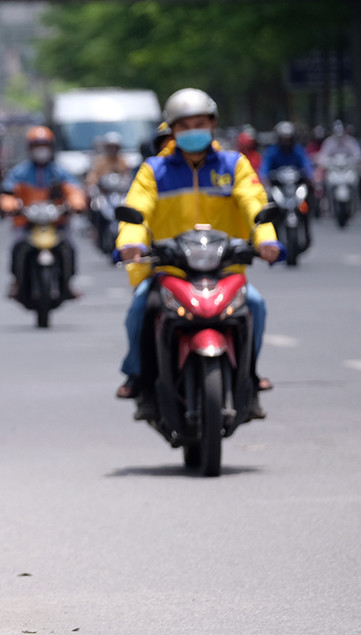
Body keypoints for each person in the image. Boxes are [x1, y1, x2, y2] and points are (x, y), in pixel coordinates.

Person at [114, 88, 279, 419]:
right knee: (140, 310)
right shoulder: (154, 171)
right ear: (171, 130)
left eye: (199, 124)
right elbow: (137, 209)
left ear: (213, 125)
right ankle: (140, 379)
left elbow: (253, 202)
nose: (192, 132)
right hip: (169, 270)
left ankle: (248, 377)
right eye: (184, 126)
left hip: (224, 267)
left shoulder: (235, 165)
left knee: (256, 306)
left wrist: (266, 240)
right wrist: (130, 243)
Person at [0, 125, 87, 300]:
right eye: (37, 146)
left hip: (56, 222)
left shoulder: (59, 171)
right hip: (27, 222)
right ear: (30, 148)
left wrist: (76, 203)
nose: (41, 150)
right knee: (17, 246)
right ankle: (17, 282)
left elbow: (74, 191)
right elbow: (7, 193)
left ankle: (68, 282)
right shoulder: (20, 172)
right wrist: (10, 205)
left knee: (69, 246)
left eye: (44, 146)